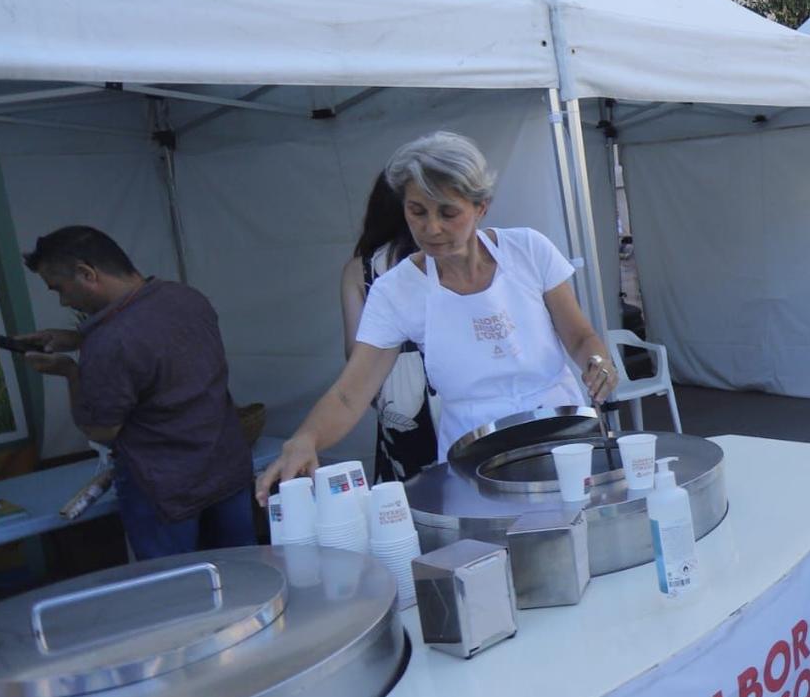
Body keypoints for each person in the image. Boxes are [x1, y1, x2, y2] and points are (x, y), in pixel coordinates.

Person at [255, 132, 617, 497]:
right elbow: (351, 393)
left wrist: (597, 361)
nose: (431, 228)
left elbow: (579, 336)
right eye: (417, 211)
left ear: (481, 207)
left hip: (561, 428)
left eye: (448, 212)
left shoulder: (528, 250)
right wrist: (306, 438)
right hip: (474, 449)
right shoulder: (396, 290)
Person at [19, 227, 254, 559]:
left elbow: (100, 429)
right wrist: (78, 339)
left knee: (173, 593)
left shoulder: (109, 343)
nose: (63, 300)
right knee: (246, 577)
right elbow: (153, 349)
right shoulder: (185, 297)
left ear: (87, 274)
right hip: (226, 467)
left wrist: (70, 372)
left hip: (166, 491)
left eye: (59, 289)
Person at [342, 175, 439, 484]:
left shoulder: (360, 269)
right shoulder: (441, 256)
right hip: (447, 369)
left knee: (409, 487)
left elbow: (355, 350)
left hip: (393, 381)